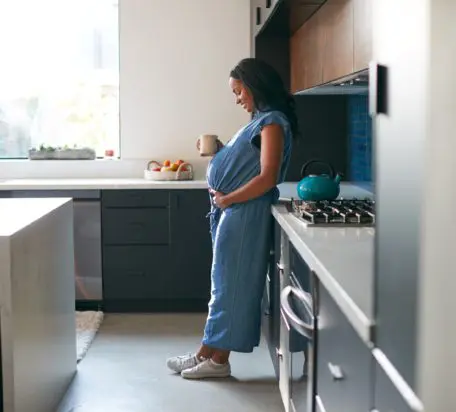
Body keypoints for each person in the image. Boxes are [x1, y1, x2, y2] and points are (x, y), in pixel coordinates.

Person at [167, 58, 298, 380]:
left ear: (254, 86)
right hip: (234, 210)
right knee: (224, 283)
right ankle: (206, 352)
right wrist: (222, 153)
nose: (237, 98)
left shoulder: (272, 123)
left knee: (234, 286)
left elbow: (267, 177)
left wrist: (227, 198)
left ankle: (219, 361)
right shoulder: (260, 121)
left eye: (239, 91)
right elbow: (251, 162)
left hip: (244, 211)